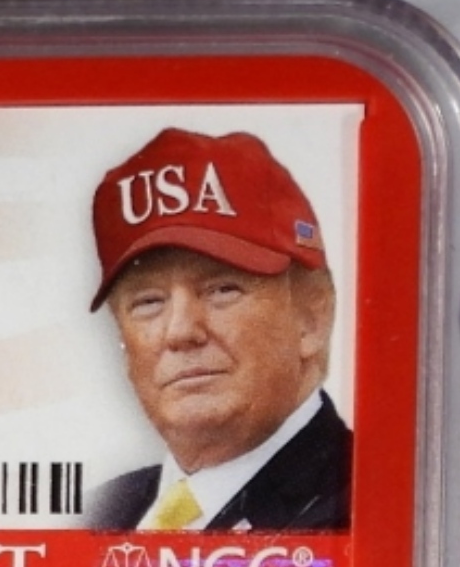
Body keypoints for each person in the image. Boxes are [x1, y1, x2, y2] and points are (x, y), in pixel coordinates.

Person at [85, 126, 351, 534]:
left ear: (312, 318)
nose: (179, 332)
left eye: (222, 289)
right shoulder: (102, 511)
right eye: (148, 301)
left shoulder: (366, 505)